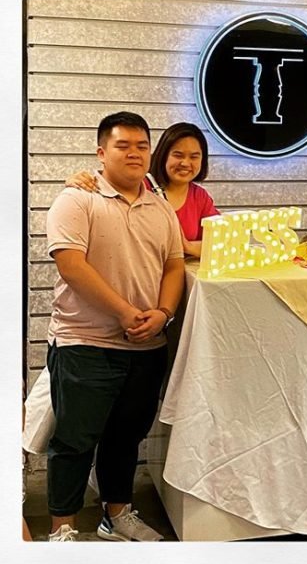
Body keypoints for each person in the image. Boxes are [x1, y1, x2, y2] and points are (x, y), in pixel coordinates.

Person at [45, 111, 185, 541]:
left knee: (127, 437)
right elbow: (71, 264)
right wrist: (125, 312)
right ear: (101, 153)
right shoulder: (77, 199)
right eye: (123, 145)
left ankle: (117, 515)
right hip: (85, 342)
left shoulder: (160, 206)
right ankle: (62, 528)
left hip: (146, 346)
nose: (134, 153)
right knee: (74, 440)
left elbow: (173, 265)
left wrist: (163, 313)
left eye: (142, 146)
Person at [66, 122, 219, 258]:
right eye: (178, 155)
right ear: (163, 155)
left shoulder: (200, 196)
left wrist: (187, 247)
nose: (185, 163)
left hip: (182, 277)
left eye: (194, 157)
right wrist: (77, 182)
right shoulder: (140, 186)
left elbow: (221, 243)